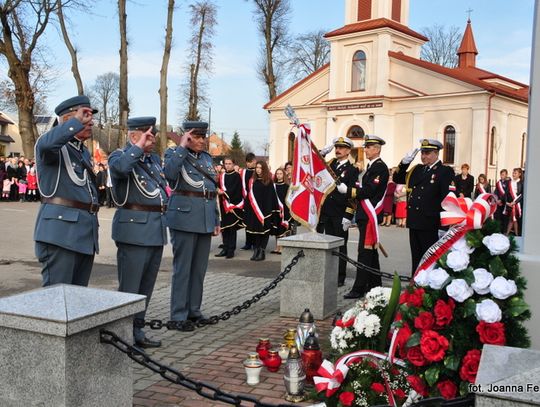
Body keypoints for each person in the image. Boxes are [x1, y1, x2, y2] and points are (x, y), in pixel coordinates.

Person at [108, 116, 167, 349]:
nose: (153, 140)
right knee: (130, 287)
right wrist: (137, 147)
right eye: (148, 135)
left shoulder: (152, 160)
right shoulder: (119, 156)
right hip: (133, 231)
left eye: (152, 135)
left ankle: (138, 329)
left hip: (154, 229)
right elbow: (121, 169)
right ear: (135, 136)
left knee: (145, 288)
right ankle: (123, 333)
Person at [34, 95, 99, 286]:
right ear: (68, 120)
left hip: (84, 232)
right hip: (60, 234)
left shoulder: (82, 151)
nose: (90, 121)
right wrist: (75, 123)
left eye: (90, 116)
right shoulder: (52, 146)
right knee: (56, 299)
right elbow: (46, 145)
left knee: (77, 298)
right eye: (85, 115)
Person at [164, 121, 220, 331]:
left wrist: (216, 219)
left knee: (198, 270)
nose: (201, 140)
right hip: (184, 218)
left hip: (204, 218)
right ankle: (178, 315)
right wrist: (182, 147)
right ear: (187, 136)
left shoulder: (206, 158)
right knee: (183, 269)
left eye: (203, 136)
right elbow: (169, 175)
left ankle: (194, 311)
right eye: (196, 136)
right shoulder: (174, 154)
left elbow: (210, 190)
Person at [337, 135, 389, 299]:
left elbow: (369, 191)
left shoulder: (379, 168)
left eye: (368, 147)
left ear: (377, 149)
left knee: (364, 252)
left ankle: (359, 288)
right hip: (365, 215)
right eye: (366, 147)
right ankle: (375, 286)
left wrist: (350, 191)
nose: (365, 150)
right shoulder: (371, 167)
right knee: (371, 253)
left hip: (370, 215)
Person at [393, 139, 455, 275]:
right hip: (415, 221)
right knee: (416, 258)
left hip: (431, 223)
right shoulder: (417, 169)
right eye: (422, 153)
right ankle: (415, 287)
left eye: (427, 153)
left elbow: (448, 200)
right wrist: (404, 163)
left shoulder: (445, 171)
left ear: (436, 153)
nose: (423, 156)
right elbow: (397, 178)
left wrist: (444, 227)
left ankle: (427, 291)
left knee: (430, 260)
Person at [317, 136, 359, 287]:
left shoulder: (352, 170)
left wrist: (348, 215)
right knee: (329, 245)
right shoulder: (330, 164)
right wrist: (322, 152)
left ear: (348, 151)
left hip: (340, 214)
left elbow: (352, 196)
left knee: (341, 246)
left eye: (341, 148)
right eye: (336, 148)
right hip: (327, 212)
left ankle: (340, 277)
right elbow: (316, 164)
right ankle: (329, 273)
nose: (338, 150)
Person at [245, 160, 279, 261]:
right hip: (254, 211)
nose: (258, 170)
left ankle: (262, 251)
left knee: (264, 231)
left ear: (264, 169)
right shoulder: (252, 181)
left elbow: (271, 197)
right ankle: (256, 250)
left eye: (260, 168)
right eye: (257, 168)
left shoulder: (268, 181)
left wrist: (269, 211)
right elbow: (249, 196)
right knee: (255, 232)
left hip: (265, 211)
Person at [216, 157, 244, 259]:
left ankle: (231, 250)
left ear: (233, 164)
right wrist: (218, 189)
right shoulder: (222, 176)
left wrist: (224, 193)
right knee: (225, 228)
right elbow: (218, 186)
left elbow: (236, 190)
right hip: (223, 205)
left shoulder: (236, 176)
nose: (227, 165)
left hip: (232, 205)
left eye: (229, 163)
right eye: (226, 164)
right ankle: (225, 248)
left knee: (232, 229)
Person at [271, 167, 291, 254]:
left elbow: (288, 199)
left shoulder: (287, 186)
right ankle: (277, 247)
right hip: (275, 210)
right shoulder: (273, 186)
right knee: (276, 229)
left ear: (283, 175)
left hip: (284, 210)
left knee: (282, 229)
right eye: (277, 174)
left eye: (280, 173)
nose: (278, 175)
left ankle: (282, 247)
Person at [240, 153, 257, 250]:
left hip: (256, 200)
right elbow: (243, 186)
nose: (250, 164)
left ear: (255, 161)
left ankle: (255, 243)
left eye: (252, 162)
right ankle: (248, 243)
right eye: (248, 162)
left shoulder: (257, 172)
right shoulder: (244, 172)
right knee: (247, 222)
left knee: (255, 222)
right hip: (247, 200)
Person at [505, 168, 524, 236]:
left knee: (513, 219)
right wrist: (507, 202)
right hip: (510, 204)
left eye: (515, 173)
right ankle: (516, 234)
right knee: (513, 219)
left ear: (519, 174)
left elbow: (522, 194)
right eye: (513, 173)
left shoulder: (521, 183)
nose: (513, 174)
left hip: (517, 204)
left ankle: (508, 234)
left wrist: (515, 202)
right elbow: (506, 193)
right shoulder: (509, 182)